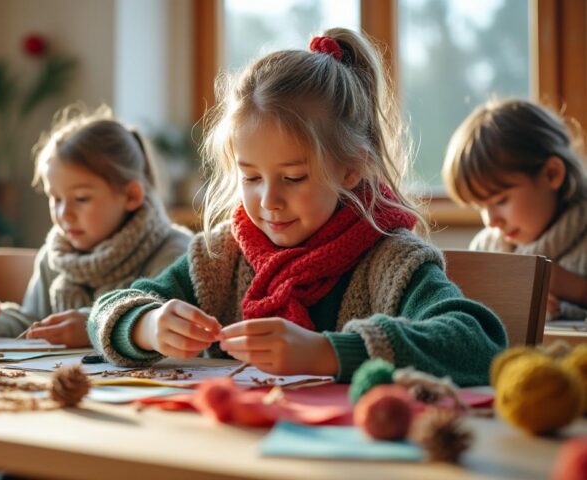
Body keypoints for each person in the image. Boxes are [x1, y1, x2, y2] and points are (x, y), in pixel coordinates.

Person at [88, 29, 506, 386]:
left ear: (351, 169)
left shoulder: (390, 258)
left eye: (293, 178)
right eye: (250, 178)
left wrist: (327, 353)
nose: (268, 201)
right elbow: (106, 310)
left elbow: (479, 343)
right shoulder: (222, 256)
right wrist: (146, 325)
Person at [0, 106, 191, 347]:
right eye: (56, 198)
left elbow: (167, 332)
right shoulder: (55, 257)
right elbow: (34, 323)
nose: (65, 214)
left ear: (131, 196)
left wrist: (92, 329)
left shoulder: (174, 252)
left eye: (81, 198)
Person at [443, 99, 587, 320]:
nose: (490, 221)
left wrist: (573, 288)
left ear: (552, 174)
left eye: (501, 201)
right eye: (480, 206)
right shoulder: (486, 249)